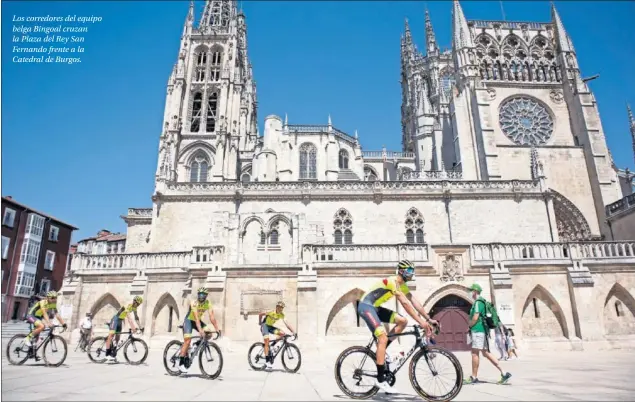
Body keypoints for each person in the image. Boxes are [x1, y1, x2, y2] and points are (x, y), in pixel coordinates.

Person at [357, 259, 437, 394]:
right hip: (365, 307)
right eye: (410, 270)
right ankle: (380, 380)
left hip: (375, 308)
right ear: (401, 271)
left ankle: (382, 350)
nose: (412, 273)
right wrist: (421, 322)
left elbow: (413, 301)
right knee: (382, 338)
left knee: (403, 321)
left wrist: (428, 318)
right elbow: (405, 304)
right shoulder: (393, 282)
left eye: (413, 271)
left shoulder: (402, 285)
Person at [465, 283, 511, 385]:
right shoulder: (483, 302)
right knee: (486, 353)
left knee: (474, 353)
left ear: (475, 291)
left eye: (471, 290)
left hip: (478, 331)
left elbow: (476, 317)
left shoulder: (478, 302)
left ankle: (474, 377)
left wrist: (469, 326)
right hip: (483, 331)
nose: (469, 292)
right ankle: (504, 373)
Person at [177, 287, 221, 373]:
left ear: (206, 296)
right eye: (199, 294)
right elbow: (196, 318)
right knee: (187, 341)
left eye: (203, 295)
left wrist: (217, 329)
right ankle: (180, 363)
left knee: (209, 334)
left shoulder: (207, 303)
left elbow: (212, 317)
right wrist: (200, 330)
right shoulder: (194, 303)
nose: (201, 296)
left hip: (197, 321)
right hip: (189, 321)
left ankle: (196, 344)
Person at [258, 301, 296, 370]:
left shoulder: (281, 315)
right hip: (265, 326)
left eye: (282, 308)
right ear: (276, 307)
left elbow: (287, 324)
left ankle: (272, 347)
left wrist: (293, 332)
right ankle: (267, 362)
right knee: (267, 341)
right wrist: (260, 322)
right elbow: (260, 314)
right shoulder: (271, 312)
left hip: (270, 327)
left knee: (283, 334)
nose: (280, 309)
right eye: (279, 307)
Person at [104, 296, 143, 362]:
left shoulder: (134, 308)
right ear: (134, 301)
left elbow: (136, 318)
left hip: (120, 320)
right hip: (115, 319)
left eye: (139, 304)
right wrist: (133, 328)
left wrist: (140, 327)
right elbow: (129, 318)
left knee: (117, 338)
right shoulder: (128, 305)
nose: (138, 305)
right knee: (111, 336)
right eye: (138, 304)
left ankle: (113, 355)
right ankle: (107, 355)